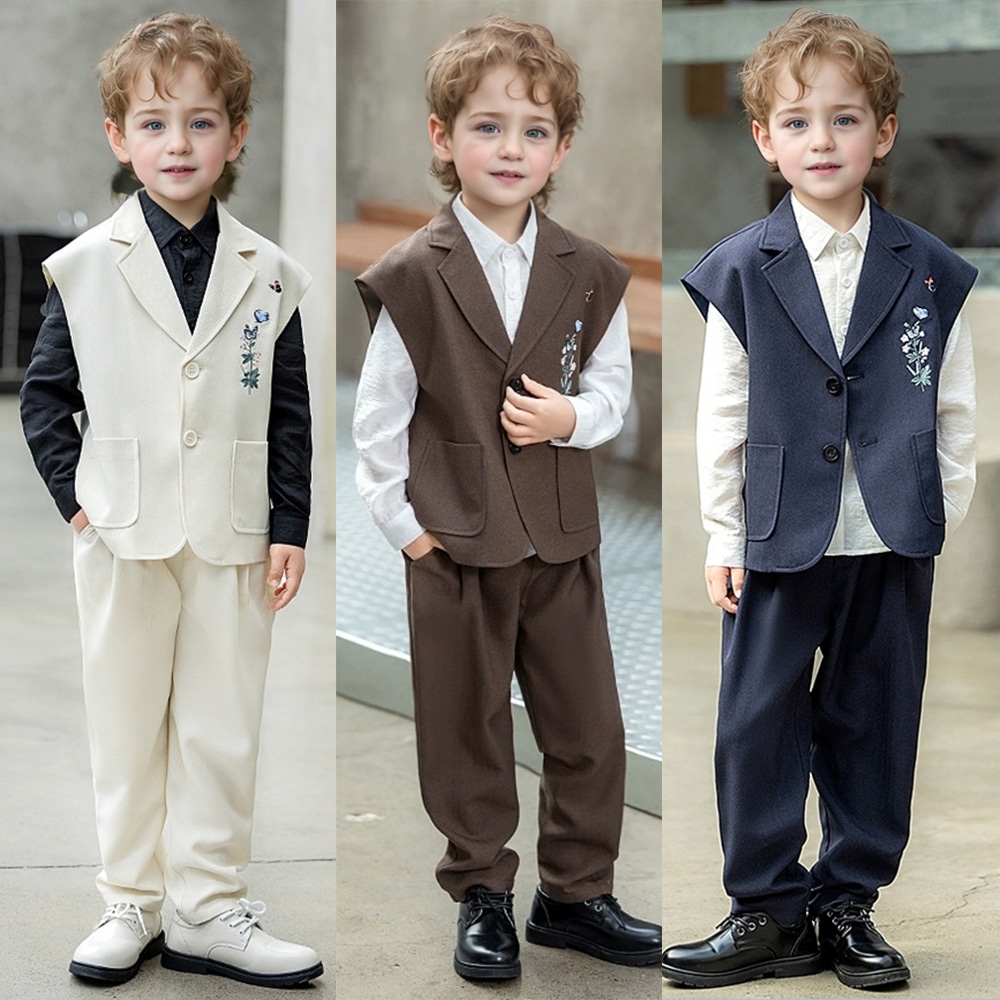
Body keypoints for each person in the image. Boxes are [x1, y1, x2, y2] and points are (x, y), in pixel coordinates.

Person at [661, 7, 977, 990]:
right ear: (765, 138)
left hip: (889, 535)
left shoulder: (930, 270)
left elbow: (954, 405)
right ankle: (765, 909)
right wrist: (723, 532)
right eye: (797, 122)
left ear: (883, 132)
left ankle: (847, 905)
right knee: (756, 721)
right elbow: (722, 411)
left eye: (845, 119)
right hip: (774, 533)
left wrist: (930, 511)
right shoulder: (739, 269)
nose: (822, 140)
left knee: (873, 718)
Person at [352, 14, 661, 983]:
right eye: (487, 126)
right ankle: (481, 892)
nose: (511, 148)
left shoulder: (590, 273)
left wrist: (568, 418)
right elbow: (378, 419)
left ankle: (575, 894)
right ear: (443, 138)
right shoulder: (412, 274)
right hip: (452, 543)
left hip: (561, 541)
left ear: (561, 148)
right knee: (465, 730)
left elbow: (610, 395)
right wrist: (407, 531)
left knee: (590, 728)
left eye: (534, 130)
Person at [19, 12, 322, 989]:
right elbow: (45, 400)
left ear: (236, 135)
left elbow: (289, 411)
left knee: (220, 727)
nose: (178, 143)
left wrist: (289, 525)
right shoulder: (82, 268)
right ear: (119, 137)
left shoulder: (270, 274)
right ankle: (129, 901)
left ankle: (208, 907)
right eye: (154, 123)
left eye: (201, 122)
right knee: (125, 722)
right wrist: (81, 505)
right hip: (122, 534)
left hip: (234, 535)